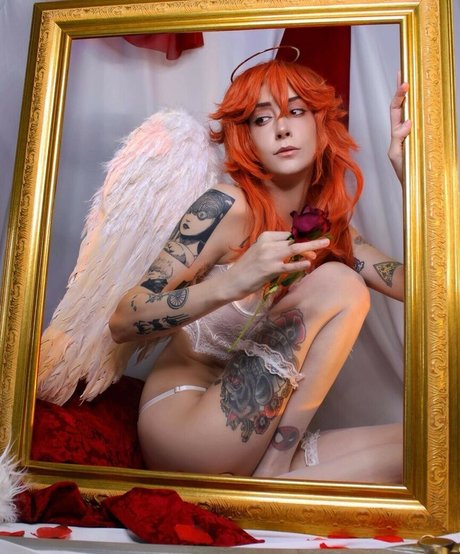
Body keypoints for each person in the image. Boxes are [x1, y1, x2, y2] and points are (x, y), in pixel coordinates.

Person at [109, 53, 410, 482]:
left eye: (296, 112)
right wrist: (233, 281)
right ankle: (272, 475)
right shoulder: (225, 207)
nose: (281, 128)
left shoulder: (326, 229)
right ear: (246, 136)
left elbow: (427, 288)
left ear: (321, 124)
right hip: (183, 423)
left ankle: (273, 478)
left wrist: (411, 180)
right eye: (262, 119)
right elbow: (123, 320)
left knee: (426, 450)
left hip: (255, 435)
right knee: (341, 282)